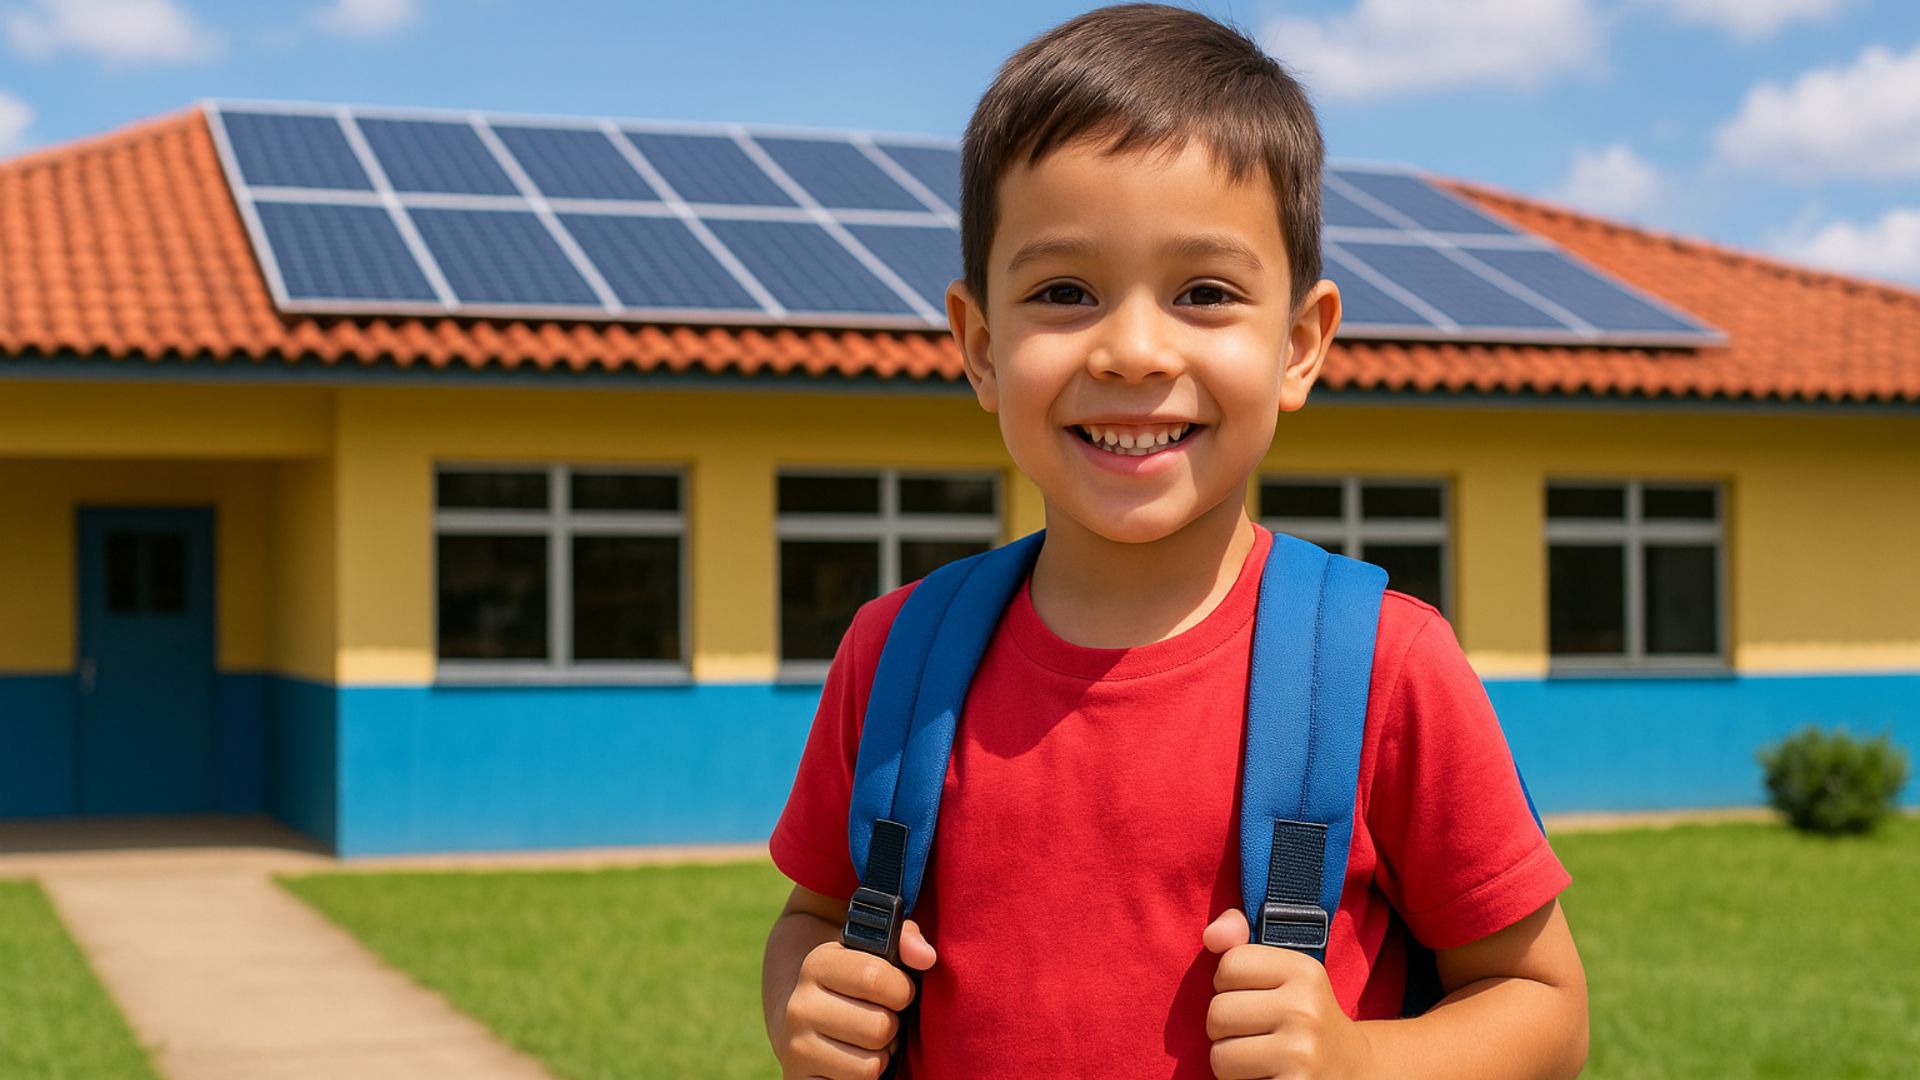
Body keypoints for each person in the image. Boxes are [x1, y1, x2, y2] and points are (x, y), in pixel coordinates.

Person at [760, 5, 1588, 1077]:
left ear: (1300, 345)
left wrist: (1358, 1062)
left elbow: (1542, 1006)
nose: (1135, 351)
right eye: (1064, 292)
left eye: (1204, 293)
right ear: (977, 346)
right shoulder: (895, 657)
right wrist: (809, 1000)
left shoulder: (1384, 668)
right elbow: (811, 918)